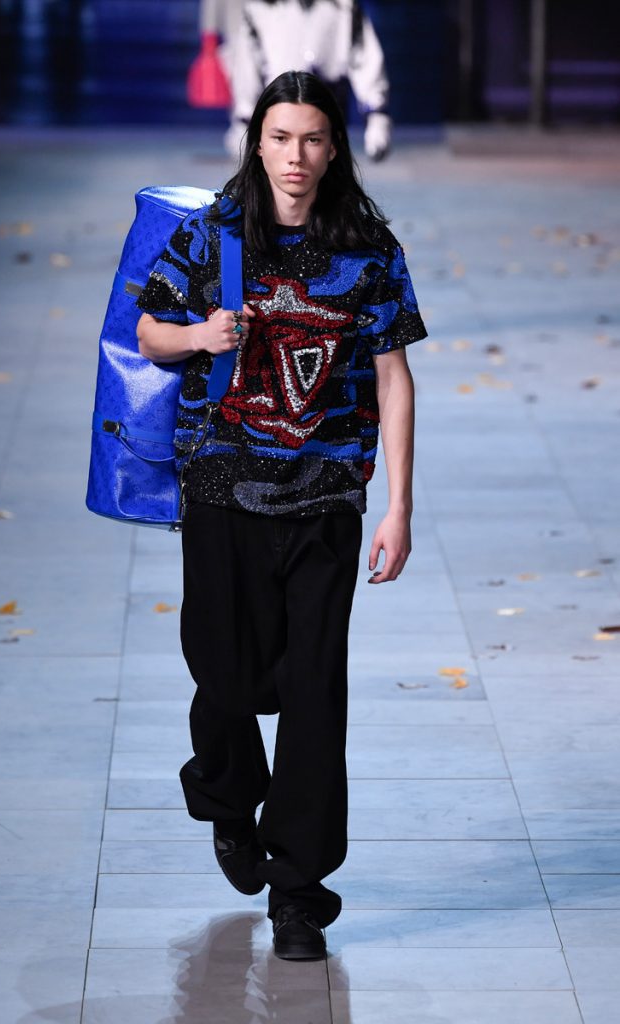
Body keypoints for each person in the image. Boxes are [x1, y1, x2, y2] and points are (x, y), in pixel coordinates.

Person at [136, 69, 426, 961]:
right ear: (255, 143)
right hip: (221, 486)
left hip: (327, 494)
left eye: (311, 139)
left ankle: (299, 892)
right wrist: (199, 336)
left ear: (333, 150)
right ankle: (227, 798)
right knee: (225, 676)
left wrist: (398, 505)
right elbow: (148, 330)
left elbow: (393, 378)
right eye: (279, 138)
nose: (295, 156)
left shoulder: (368, 249)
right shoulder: (212, 234)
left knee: (312, 693)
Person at [198, 0, 392, 161]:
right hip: (279, 108)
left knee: (327, 180)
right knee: (282, 183)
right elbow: (247, 68)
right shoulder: (259, 9)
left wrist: (377, 116)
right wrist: (244, 120)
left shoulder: (345, 7)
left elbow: (366, 58)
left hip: (328, 109)